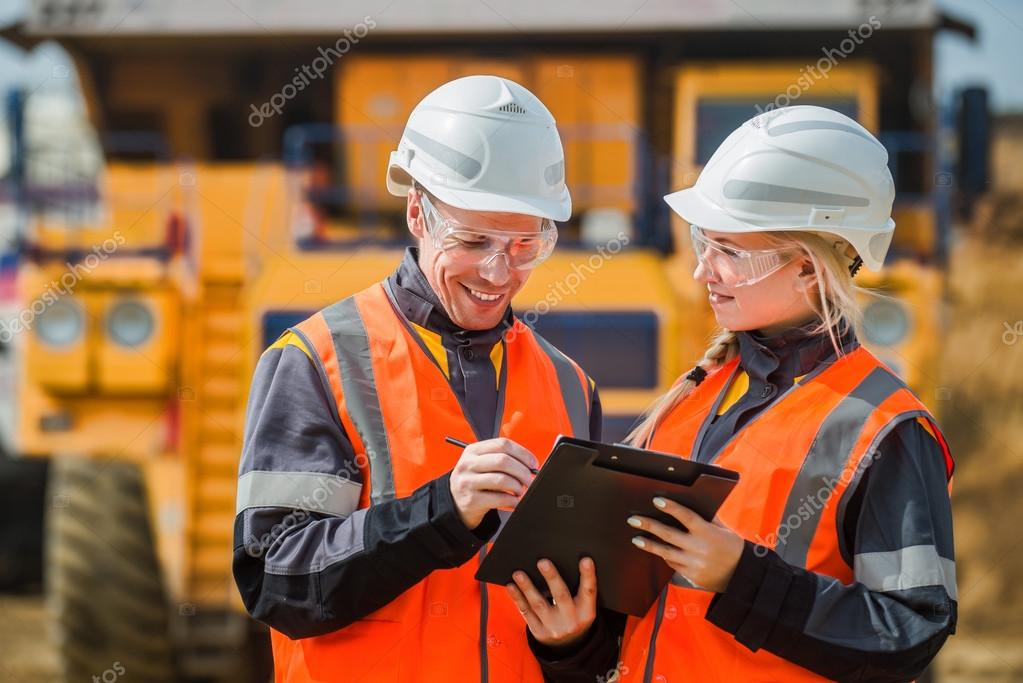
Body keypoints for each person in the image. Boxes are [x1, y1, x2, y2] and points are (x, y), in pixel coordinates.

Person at [512, 105, 956, 682]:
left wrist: (744, 576)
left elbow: (910, 635)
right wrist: (572, 642)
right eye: (703, 242)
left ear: (807, 268)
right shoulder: (693, 401)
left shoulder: (885, 428)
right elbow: (644, 626)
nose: (704, 272)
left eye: (729, 251)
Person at [233, 75, 601, 683]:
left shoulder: (569, 384)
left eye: (524, 245)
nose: (497, 271)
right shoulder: (315, 360)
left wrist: (572, 643)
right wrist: (441, 514)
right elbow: (276, 581)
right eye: (474, 240)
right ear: (416, 212)